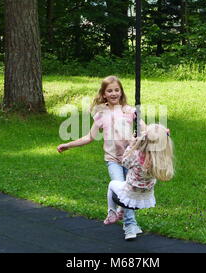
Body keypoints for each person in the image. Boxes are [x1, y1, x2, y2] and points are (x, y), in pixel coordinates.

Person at [57, 75, 146, 240]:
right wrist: (68, 145)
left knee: (131, 192)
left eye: (116, 90)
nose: (113, 93)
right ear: (104, 94)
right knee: (121, 189)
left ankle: (130, 222)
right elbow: (89, 137)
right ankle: (129, 225)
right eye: (109, 91)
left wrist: (156, 133)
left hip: (131, 159)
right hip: (113, 160)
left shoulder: (129, 111)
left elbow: (144, 129)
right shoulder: (101, 114)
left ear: (121, 92)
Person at [103, 124, 174, 237]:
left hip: (130, 193)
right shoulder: (160, 162)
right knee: (125, 188)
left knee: (112, 185)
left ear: (145, 139)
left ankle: (112, 212)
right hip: (145, 197)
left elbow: (124, 162)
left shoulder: (136, 155)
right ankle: (121, 211)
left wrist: (132, 145)